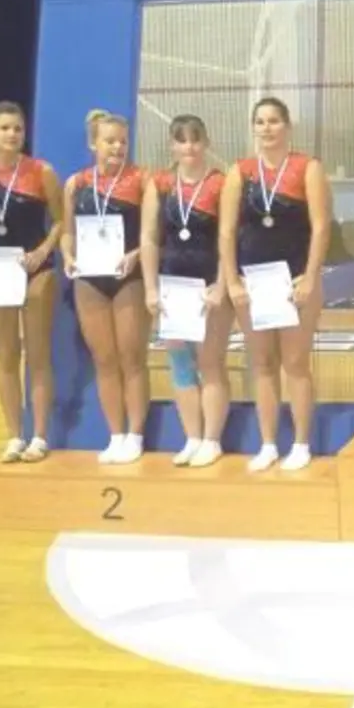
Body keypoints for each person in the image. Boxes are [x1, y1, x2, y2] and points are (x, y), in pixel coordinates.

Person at [223, 97, 333, 470]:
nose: (267, 128)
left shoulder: (307, 167)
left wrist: (311, 276)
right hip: (254, 283)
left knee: (296, 362)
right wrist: (232, 281)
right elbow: (226, 232)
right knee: (263, 363)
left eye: (273, 121)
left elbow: (320, 226)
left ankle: (301, 443)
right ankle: (268, 444)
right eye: (260, 122)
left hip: (295, 281)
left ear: (287, 126)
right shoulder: (241, 172)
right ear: (253, 128)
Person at [0, 101, 62, 464]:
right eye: (5, 128)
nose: (12, 135)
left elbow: (60, 221)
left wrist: (42, 251)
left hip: (36, 269)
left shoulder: (41, 171)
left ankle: (39, 435)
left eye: (18, 128)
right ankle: (13, 436)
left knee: (37, 355)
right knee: (6, 356)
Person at [143, 114, 232, 468]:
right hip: (172, 287)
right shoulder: (160, 184)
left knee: (210, 364)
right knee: (180, 364)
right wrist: (151, 288)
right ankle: (192, 437)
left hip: (208, 287)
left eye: (196, 139)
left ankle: (212, 440)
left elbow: (229, 239)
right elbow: (149, 238)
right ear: (172, 145)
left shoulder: (220, 184)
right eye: (182, 140)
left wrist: (222, 285)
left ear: (206, 143)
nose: (189, 146)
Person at [62, 110, 150, 465]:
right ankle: (115, 434)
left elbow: (153, 234)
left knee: (132, 358)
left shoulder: (141, 180)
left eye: (123, 141)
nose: (117, 147)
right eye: (110, 141)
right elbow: (67, 231)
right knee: (104, 359)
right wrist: (68, 255)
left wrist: (136, 255)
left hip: (128, 275)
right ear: (93, 143)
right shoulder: (76, 184)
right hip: (90, 277)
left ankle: (137, 434)